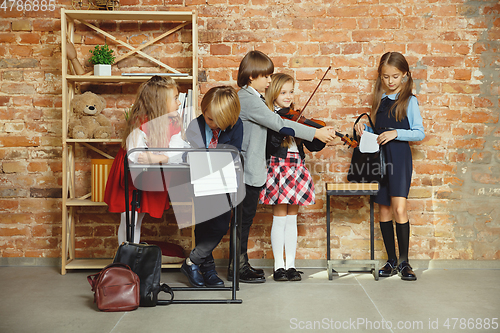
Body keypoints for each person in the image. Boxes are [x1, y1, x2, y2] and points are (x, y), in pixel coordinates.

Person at [234, 50, 336, 283]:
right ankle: (243, 267)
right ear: (252, 76)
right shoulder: (248, 99)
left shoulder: (255, 98)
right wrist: (315, 131)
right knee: (244, 220)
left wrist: (318, 135)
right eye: (266, 76)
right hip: (258, 167)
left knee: (249, 220)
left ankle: (251, 265)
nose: (269, 81)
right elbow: (279, 124)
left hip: (283, 168)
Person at [354, 52, 425, 281]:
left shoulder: (409, 100)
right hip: (380, 160)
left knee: (399, 209)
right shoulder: (380, 100)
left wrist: (396, 133)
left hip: (399, 158)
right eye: (385, 76)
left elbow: (419, 133)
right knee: (383, 209)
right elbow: (377, 133)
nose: (390, 81)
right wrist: (365, 130)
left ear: (404, 75)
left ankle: (404, 262)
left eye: (395, 76)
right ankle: (391, 260)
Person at [260, 73, 327, 282]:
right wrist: (285, 126)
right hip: (279, 169)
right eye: (283, 92)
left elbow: (313, 144)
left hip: (297, 169)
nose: (288, 96)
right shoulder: (270, 118)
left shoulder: (296, 117)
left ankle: (291, 265)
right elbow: (269, 145)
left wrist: (320, 133)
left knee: (292, 220)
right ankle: (278, 266)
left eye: (291, 92)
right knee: (279, 219)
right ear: (273, 93)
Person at [104, 75, 181, 245]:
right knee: (128, 218)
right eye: (175, 98)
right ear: (160, 102)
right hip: (130, 174)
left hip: (148, 175)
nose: (179, 102)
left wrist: (154, 158)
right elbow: (135, 156)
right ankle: (125, 262)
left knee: (137, 221)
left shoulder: (173, 122)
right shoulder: (140, 121)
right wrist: (162, 158)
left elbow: (179, 152)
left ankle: (130, 262)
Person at [180, 86, 243, 288]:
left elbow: (233, 154)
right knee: (204, 226)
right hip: (200, 181)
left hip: (223, 183)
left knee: (220, 225)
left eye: (219, 121)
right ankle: (207, 269)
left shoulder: (236, 125)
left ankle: (193, 261)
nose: (214, 125)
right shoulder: (194, 126)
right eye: (209, 119)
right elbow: (190, 155)